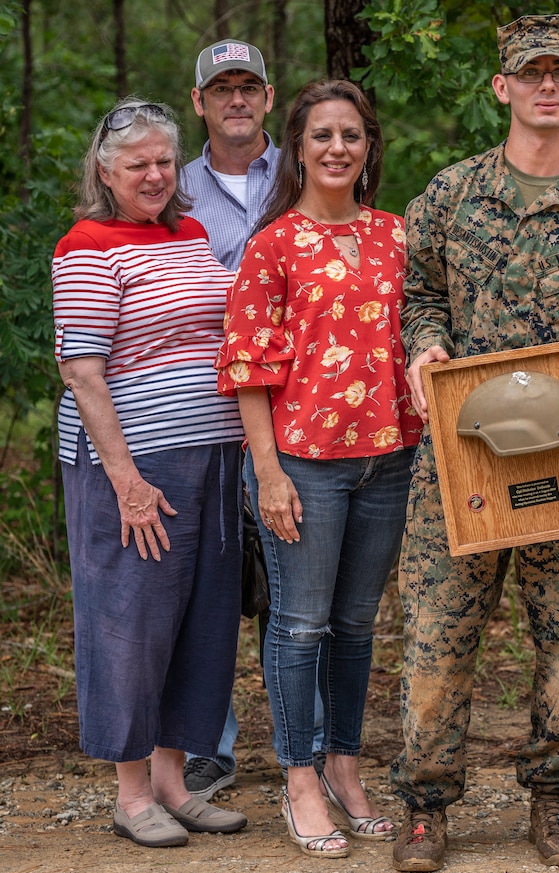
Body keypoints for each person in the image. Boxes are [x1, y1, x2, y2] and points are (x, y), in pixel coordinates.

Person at [389, 14, 559, 873]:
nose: (546, 85)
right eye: (529, 73)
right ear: (502, 87)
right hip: (460, 460)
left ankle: (553, 798)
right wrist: (424, 345)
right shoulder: (452, 193)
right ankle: (425, 807)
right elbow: (418, 290)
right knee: (435, 636)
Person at [216, 78, 421, 858]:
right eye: (323, 136)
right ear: (297, 148)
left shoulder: (396, 236)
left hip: (387, 462)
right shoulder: (273, 244)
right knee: (300, 625)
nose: (338, 148)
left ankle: (344, 763)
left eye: (353, 136)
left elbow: (421, 336)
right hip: (302, 465)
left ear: (369, 150)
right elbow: (247, 368)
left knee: (356, 625)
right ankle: (297, 776)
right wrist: (267, 473)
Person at [51, 98, 249, 847]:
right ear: (106, 170)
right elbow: (84, 373)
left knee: (201, 621)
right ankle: (131, 792)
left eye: (166, 161)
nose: (157, 175)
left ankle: (175, 779)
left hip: (212, 458)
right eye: (138, 164)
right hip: (134, 466)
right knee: (131, 623)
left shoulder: (190, 233)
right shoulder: (87, 244)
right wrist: (126, 481)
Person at [180, 36, 329, 802]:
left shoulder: (305, 171)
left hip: (303, 413)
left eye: (249, 86)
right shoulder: (172, 192)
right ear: (200, 102)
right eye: (221, 88)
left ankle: (314, 747)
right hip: (207, 417)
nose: (236, 99)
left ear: (270, 98)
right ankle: (210, 746)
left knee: (301, 590)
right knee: (210, 586)